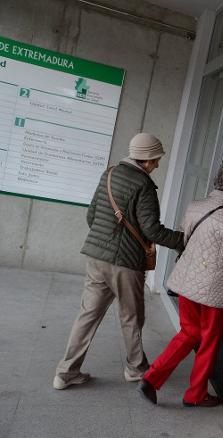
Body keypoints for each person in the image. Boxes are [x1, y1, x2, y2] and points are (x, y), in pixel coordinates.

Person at [54, 133, 184, 390]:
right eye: (156, 160)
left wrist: (107, 241)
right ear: (147, 160)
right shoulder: (143, 185)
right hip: (125, 264)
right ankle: (135, 369)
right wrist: (185, 240)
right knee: (131, 317)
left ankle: (66, 372)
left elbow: (92, 216)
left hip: (96, 257)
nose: (157, 164)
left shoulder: (110, 174)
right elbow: (152, 231)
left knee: (88, 315)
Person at [138, 163, 223, 407]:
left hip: (187, 284)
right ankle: (195, 394)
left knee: (189, 333)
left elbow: (183, 239)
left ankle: (152, 377)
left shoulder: (195, 206)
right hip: (215, 292)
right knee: (209, 342)